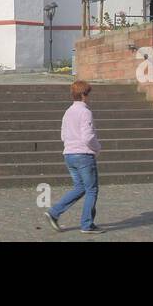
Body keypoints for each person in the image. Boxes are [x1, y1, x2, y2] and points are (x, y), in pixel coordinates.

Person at [45, 80, 101, 234]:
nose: (89, 97)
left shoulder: (68, 111)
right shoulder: (85, 112)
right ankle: (87, 224)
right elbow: (88, 137)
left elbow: (63, 135)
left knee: (80, 187)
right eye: (88, 93)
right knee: (91, 189)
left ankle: (54, 212)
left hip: (69, 154)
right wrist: (97, 148)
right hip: (83, 155)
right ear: (83, 94)